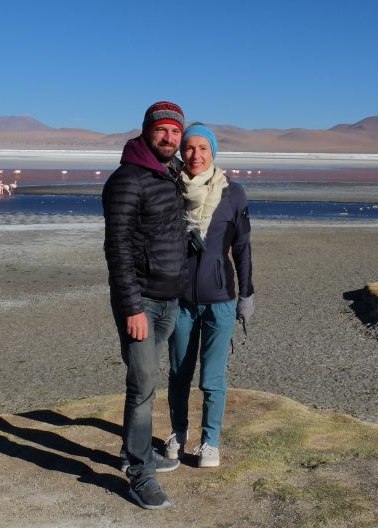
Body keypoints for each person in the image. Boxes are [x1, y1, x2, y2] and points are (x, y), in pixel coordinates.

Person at [102, 101, 189, 509]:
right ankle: (139, 474)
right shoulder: (127, 179)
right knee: (141, 386)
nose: (169, 138)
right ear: (146, 132)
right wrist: (132, 308)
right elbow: (117, 250)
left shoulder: (169, 176)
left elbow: (168, 236)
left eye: (176, 132)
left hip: (169, 300)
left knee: (147, 383)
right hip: (142, 304)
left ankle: (131, 450)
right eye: (163, 131)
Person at [164, 123, 254, 468]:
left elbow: (243, 247)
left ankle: (210, 442)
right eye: (188, 148)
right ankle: (178, 433)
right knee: (178, 373)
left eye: (203, 148)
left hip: (221, 299)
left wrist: (247, 293)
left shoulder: (233, 193)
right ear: (180, 152)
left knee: (212, 377)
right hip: (179, 300)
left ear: (213, 152)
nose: (195, 155)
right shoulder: (170, 190)